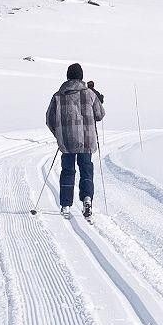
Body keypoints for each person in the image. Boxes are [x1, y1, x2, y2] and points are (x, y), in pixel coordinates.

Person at [46, 63, 105, 218]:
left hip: (67, 142)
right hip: (86, 140)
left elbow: (49, 119)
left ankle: (65, 205)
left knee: (67, 171)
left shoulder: (58, 95)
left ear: (67, 76)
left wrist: (59, 134)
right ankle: (87, 199)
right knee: (86, 169)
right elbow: (99, 115)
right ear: (81, 76)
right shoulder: (90, 94)